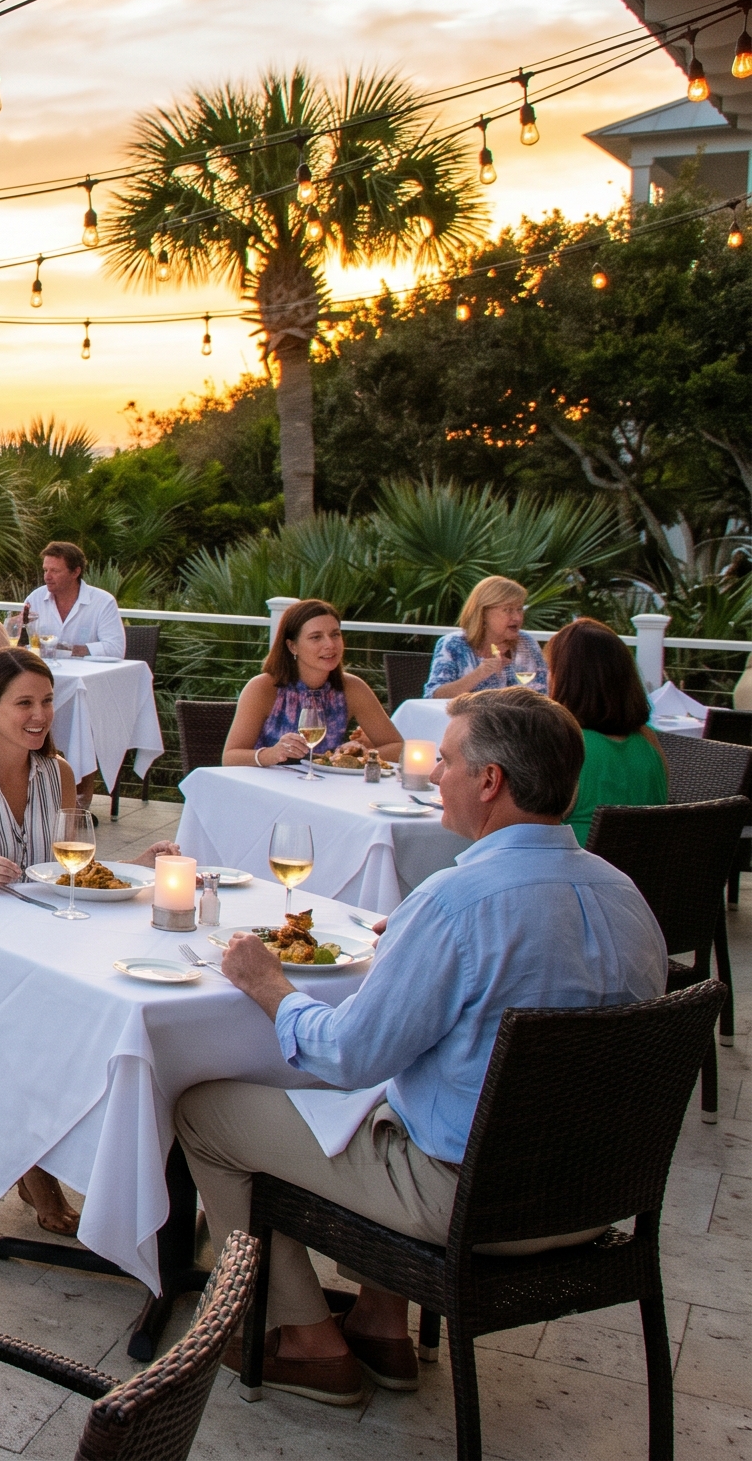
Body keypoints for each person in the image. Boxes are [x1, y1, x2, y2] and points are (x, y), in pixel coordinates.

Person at [177, 687, 664, 1406]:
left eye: (448, 760)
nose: (434, 774)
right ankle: (380, 1324)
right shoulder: (626, 893)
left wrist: (269, 985)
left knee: (207, 1112)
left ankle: (307, 1340)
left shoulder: (454, 904)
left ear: (490, 781)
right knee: (412, 1096)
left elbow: (349, 1055)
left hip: (474, 1203)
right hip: (594, 1194)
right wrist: (411, 955)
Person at [0, 649, 179, 1234]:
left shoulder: (56, 773)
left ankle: (98, 1159)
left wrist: (135, 866)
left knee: (106, 1012)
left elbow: (69, 870)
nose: (39, 715)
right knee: (34, 1017)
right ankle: (35, 1166)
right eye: (24, 703)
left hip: (40, 939)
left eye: (47, 701)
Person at [225, 599, 404, 767]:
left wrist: (356, 756)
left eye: (335, 634)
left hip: (325, 789)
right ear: (292, 646)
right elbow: (229, 757)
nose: (330, 644)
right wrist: (270, 754)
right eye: (316, 637)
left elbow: (397, 747)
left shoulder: (352, 687)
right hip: (266, 789)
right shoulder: (263, 688)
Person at [544, 617, 667, 845]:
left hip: (579, 875)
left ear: (566, 679)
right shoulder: (648, 739)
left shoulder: (569, 746)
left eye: (551, 669)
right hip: (643, 875)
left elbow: (530, 829)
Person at [424, 575, 548, 697]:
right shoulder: (454, 644)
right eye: (508, 610)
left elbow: (542, 694)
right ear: (483, 613)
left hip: (517, 717)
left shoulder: (526, 642)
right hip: (466, 717)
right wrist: (480, 673)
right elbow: (433, 696)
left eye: (519, 609)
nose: (517, 617)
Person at [7, 542, 125, 659]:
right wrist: (13, 624)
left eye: (55, 571)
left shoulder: (103, 602)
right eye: (45, 570)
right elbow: (17, 637)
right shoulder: (35, 598)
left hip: (88, 674)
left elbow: (115, 649)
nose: (47, 576)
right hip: (44, 671)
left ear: (75, 572)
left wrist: (66, 649)